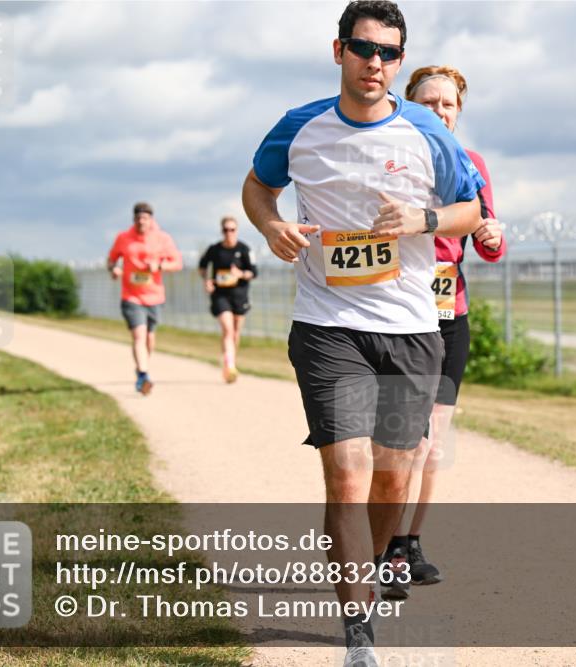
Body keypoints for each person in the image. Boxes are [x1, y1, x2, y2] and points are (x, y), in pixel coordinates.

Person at [241, 1, 484, 663]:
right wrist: (271, 225)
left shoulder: (430, 134)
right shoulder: (301, 127)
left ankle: (373, 564)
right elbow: (257, 186)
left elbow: (470, 210)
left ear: (399, 61)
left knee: (391, 479)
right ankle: (358, 632)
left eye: (388, 53)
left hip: (410, 326)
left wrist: (422, 219)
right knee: (347, 477)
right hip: (328, 325)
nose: (374, 62)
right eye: (363, 48)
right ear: (339, 50)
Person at [378, 65, 507, 601]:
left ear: (459, 111)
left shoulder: (471, 165)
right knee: (397, 444)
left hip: (448, 314)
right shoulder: (386, 160)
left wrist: (493, 234)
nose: (438, 110)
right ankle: (380, 547)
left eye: (448, 104)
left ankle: (407, 544)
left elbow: (488, 243)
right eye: (427, 101)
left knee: (432, 445)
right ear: (408, 104)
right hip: (393, 316)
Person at [107, 202, 183, 395]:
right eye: (139, 218)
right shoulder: (123, 238)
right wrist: (114, 269)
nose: (142, 221)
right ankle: (143, 375)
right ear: (134, 220)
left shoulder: (162, 238)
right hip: (131, 296)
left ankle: (142, 367)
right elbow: (111, 259)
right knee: (139, 335)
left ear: (151, 220)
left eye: (146, 218)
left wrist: (159, 266)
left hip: (155, 296)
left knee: (149, 340)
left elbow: (177, 263)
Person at [198, 216, 258, 383]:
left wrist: (241, 274)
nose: (229, 233)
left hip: (240, 295)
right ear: (221, 231)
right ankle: (229, 364)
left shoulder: (245, 249)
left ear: (236, 230)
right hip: (220, 295)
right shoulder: (214, 250)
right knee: (228, 329)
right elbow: (202, 267)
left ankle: (231, 362)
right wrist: (206, 280)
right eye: (226, 230)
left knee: (236, 332)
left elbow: (253, 272)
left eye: (232, 229)